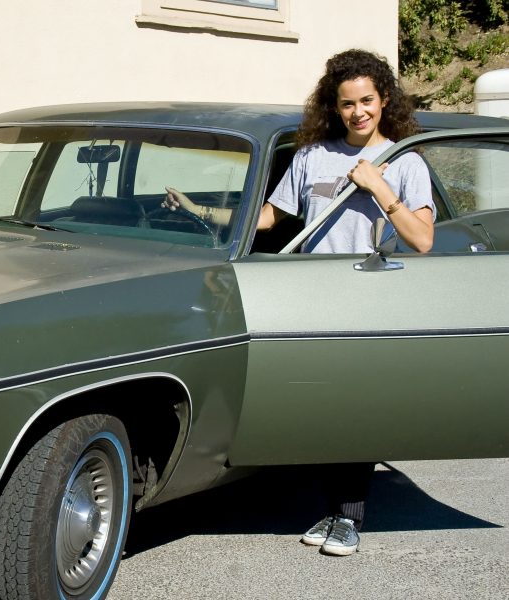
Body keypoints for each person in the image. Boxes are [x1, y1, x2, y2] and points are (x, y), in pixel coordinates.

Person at [163, 48, 435, 555]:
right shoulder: (311, 157)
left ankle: (346, 517)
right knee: (319, 403)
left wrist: (379, 186)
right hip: (312, 292)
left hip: (370, 295)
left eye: (367, 101)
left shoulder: (406, 161)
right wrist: (197, 209)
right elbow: (268, 218)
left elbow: (422, 240)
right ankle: (328, 507)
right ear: (335, 106)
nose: (358, 112)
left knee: (356, 409)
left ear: (384, 100)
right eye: (348, 103)